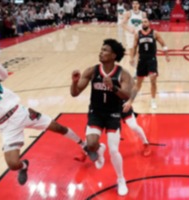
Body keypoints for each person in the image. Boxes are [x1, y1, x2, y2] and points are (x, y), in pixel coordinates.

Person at [0, 44, 86, 186]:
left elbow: (4, 75)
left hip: (20, 112)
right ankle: (24, 166)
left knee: (58, 127)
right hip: (6, 125)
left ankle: (84, 145)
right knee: (13, 164)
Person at [71, 39, 133, 196]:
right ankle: (99, 149)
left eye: (105, 50)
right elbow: (75, 93)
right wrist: (74, 82)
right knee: (90, 144)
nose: (101, 52)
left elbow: (126, 95)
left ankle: (121, 179)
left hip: (113, 113)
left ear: (113, 55)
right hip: (96, 112)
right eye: (101, 49)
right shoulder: (92, 71)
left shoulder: (123, 73)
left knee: (114, 150)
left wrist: (113, 87)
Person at [130, 18, 170, 109]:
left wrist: (166, 55)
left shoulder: (155, 33)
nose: (143, 23)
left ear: (149, 23)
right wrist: (132, 58)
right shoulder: (137, 34)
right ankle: (131, 100)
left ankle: (153, 100)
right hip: (142, 60)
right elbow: (134, 47)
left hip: (152, 59)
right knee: (138, 83)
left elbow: (163, 44)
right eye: (142, 22)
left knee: (153, 80)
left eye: (145, 22)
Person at [122, 0, 146, 67]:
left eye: (136, 4)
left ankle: (138, 66)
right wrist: (129, 29)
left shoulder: (143, 14)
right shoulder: (128, 13)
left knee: (139, 50)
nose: (135, 5)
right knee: (132, 51)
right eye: (133, 4)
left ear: (139, 5)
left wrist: (145, 31)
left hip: (139, 34)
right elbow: (122, 24)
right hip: (130, 34)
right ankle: (131, 60)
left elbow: (145, 23)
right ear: (132, 5)